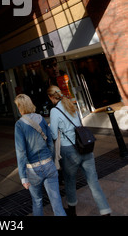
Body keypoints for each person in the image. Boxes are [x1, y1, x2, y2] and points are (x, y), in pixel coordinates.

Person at [47, 85, 111, 216]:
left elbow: (53, 135)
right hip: (84, 146)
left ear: (51, 97)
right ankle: (105, 210)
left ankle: (72, 211)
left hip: (69, 150)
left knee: (70, 181)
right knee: (93, 181)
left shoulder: (54, 111)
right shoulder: (71, 104)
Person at [14, 93, 66, 216]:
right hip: (48, 164)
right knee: (56, 201)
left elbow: (20, 152)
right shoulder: (41, 118)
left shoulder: (19, 125)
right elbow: (50, 142)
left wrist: (23, 177)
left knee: (37, 201)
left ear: (20, 107)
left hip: (33, 169)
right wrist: (52, 160)